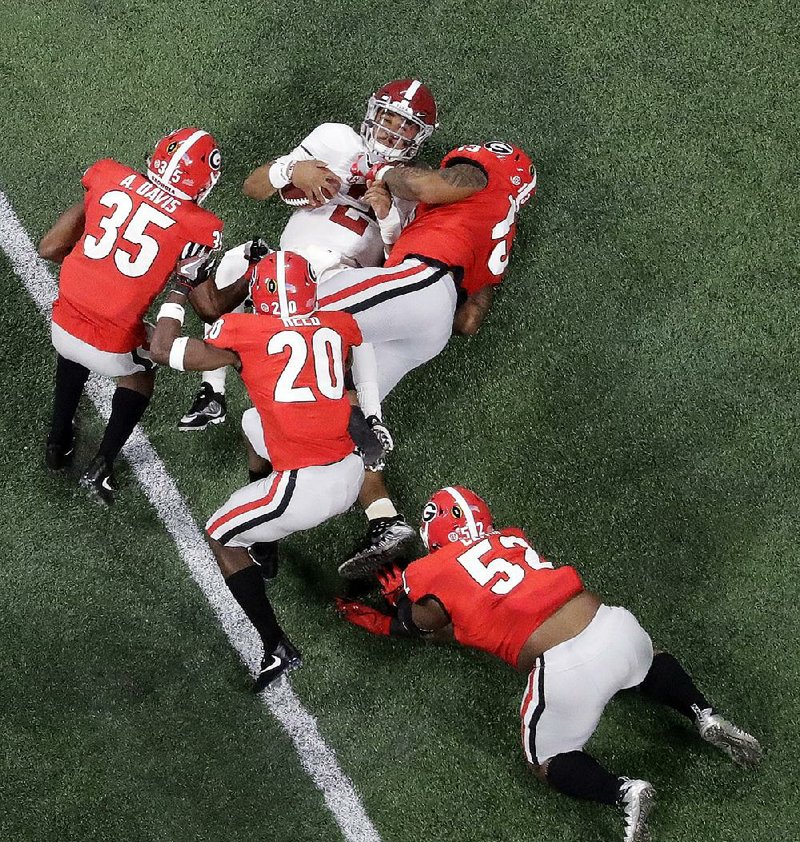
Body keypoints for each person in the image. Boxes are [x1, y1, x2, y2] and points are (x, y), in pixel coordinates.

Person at [337, 485, 763, 842]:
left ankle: (624, 791)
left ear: (435, 535)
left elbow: (423, 626)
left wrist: (394, 610)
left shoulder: (427, 571)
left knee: (545, 761)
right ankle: (703, 713)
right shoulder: (512, 538)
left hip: (565, 670)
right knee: (650, 661)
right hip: (614, 626)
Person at [317, 141, 538, 577]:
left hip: (421, 279)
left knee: (296, 302)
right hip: (432, 328)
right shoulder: (499, 231)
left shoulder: (482, 177)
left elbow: (428, 185)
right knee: (336, 404)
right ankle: (384, 519)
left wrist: (386, 174)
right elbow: (469, 321)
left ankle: (209, 375)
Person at [150, 251, 366, 690]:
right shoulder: (339, 325)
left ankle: (275, 645)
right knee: (253, 423)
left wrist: (179, 286)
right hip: (351, 469)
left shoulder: (245, 331)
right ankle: (265, 548)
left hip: (307, 486)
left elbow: (162, 348)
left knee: (220, 535)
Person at [178, 78, 438, 432]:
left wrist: (388, 221)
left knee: (347, 344)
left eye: (405, 127)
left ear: (419, 137)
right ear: (372, 113)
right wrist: (289, 170)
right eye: (388, 119)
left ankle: (350, 418)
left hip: (339, 279)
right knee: (237, 260)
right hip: (285, 264)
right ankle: (213, 391)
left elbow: (396, 271)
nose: (392, 133)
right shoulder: (335, 139)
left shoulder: (416, 186)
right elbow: (253, 187)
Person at [38, 127, 224, 503]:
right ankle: (103, 462)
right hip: (110, 344)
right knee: (141, 372)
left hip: (62, 322)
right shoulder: (201, 228)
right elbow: (210, 309)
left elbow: (50, 247)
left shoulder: (107, 175)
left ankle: (57, 440)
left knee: (79, 337)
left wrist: (93, 279)